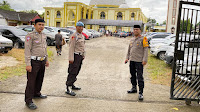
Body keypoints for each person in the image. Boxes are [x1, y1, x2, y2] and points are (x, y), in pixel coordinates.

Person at [24, 19, 49, 110]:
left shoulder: (43, 35)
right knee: (31, 81)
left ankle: (37, 94)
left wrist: (46, 59)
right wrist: (28, 64)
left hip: (42, 61)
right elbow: (27, 50)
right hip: (33, 62)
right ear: (34, 25)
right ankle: (28, 101)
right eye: (39, 24)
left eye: (43, 25)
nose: (41, 26)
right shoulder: (30, 36)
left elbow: (45, 48)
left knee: (40, 79)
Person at [125, 25, 149, 101]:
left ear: (140, 30)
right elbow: (129, 49)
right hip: (132, 60)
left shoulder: (143, 39)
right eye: (134, 29)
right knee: (132, 75)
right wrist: (127, 57)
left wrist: (145, 59)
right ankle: (134, 88)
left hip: (139, 61)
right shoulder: (132, 39)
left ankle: (141, 92)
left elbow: (145, 49)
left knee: (140, 77)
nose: (135, 30)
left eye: (137, 29)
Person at [65, 21, 86, 96]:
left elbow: (83, 46)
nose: (81, 28)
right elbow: (71, 47)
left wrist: (83, 55)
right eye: (79, 26)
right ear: (76, 27)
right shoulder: (74, 36)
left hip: (80, 56)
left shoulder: (81, 35)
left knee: (76, 71)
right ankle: (68, 87)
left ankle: (72, 84)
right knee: (72, 72)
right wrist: (71, 58)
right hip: (75, 56)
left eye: (82, 27)